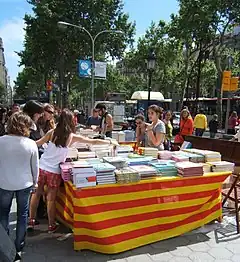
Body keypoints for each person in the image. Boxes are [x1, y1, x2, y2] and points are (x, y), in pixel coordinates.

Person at [28, 109, 116, 233]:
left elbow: (37, 143)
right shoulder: (71, 136)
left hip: (41, 167)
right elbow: (93, 141)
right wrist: (108, 142)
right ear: (71, 121)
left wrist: (23, 142)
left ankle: (31, 221)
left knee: (36, 194)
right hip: (54, 171)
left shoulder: (51, 132)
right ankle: (51, 225)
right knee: (51, 199)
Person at [0, 112, 39, 255]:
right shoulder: (30, 144)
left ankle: (5, 247)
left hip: (4, 182)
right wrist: (35, 183)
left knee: (3, 214)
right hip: (24, 183)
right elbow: (35, 167)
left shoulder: (1, 141)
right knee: (22, 215)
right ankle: (19, 246)